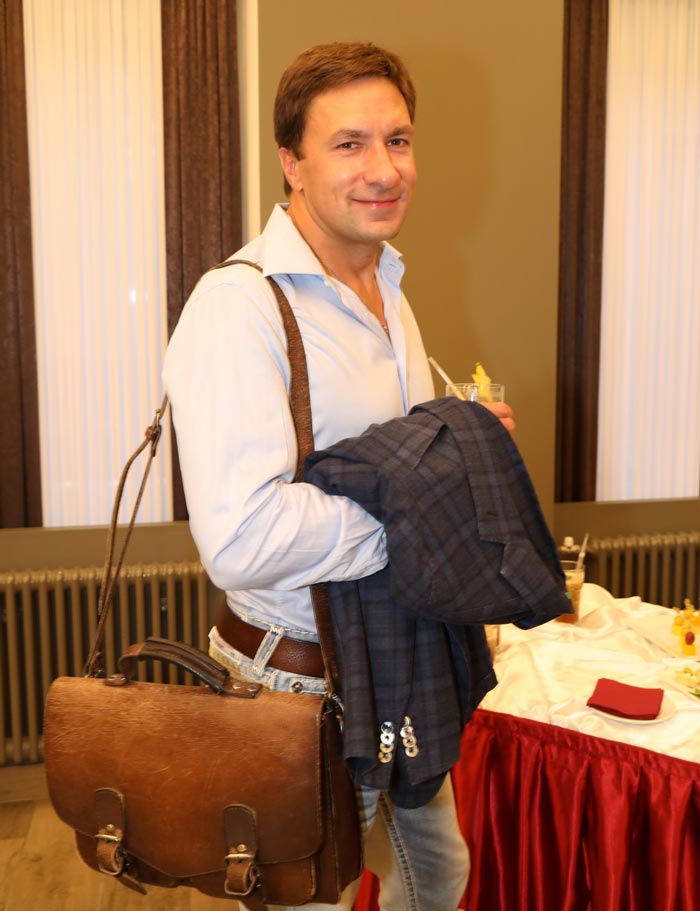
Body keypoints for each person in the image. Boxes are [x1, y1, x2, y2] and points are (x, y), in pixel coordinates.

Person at [163, 41, 514, 911]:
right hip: (294, 684)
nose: (383, 169)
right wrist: (426, 511)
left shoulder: (389, 287)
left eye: (398, 140)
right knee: (310, 900)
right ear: (292, 162)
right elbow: (243, 540)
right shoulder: (237, 306)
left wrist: (465, 437)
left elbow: (396, 451)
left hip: (393, 652)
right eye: (349, 143)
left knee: (437, 878)